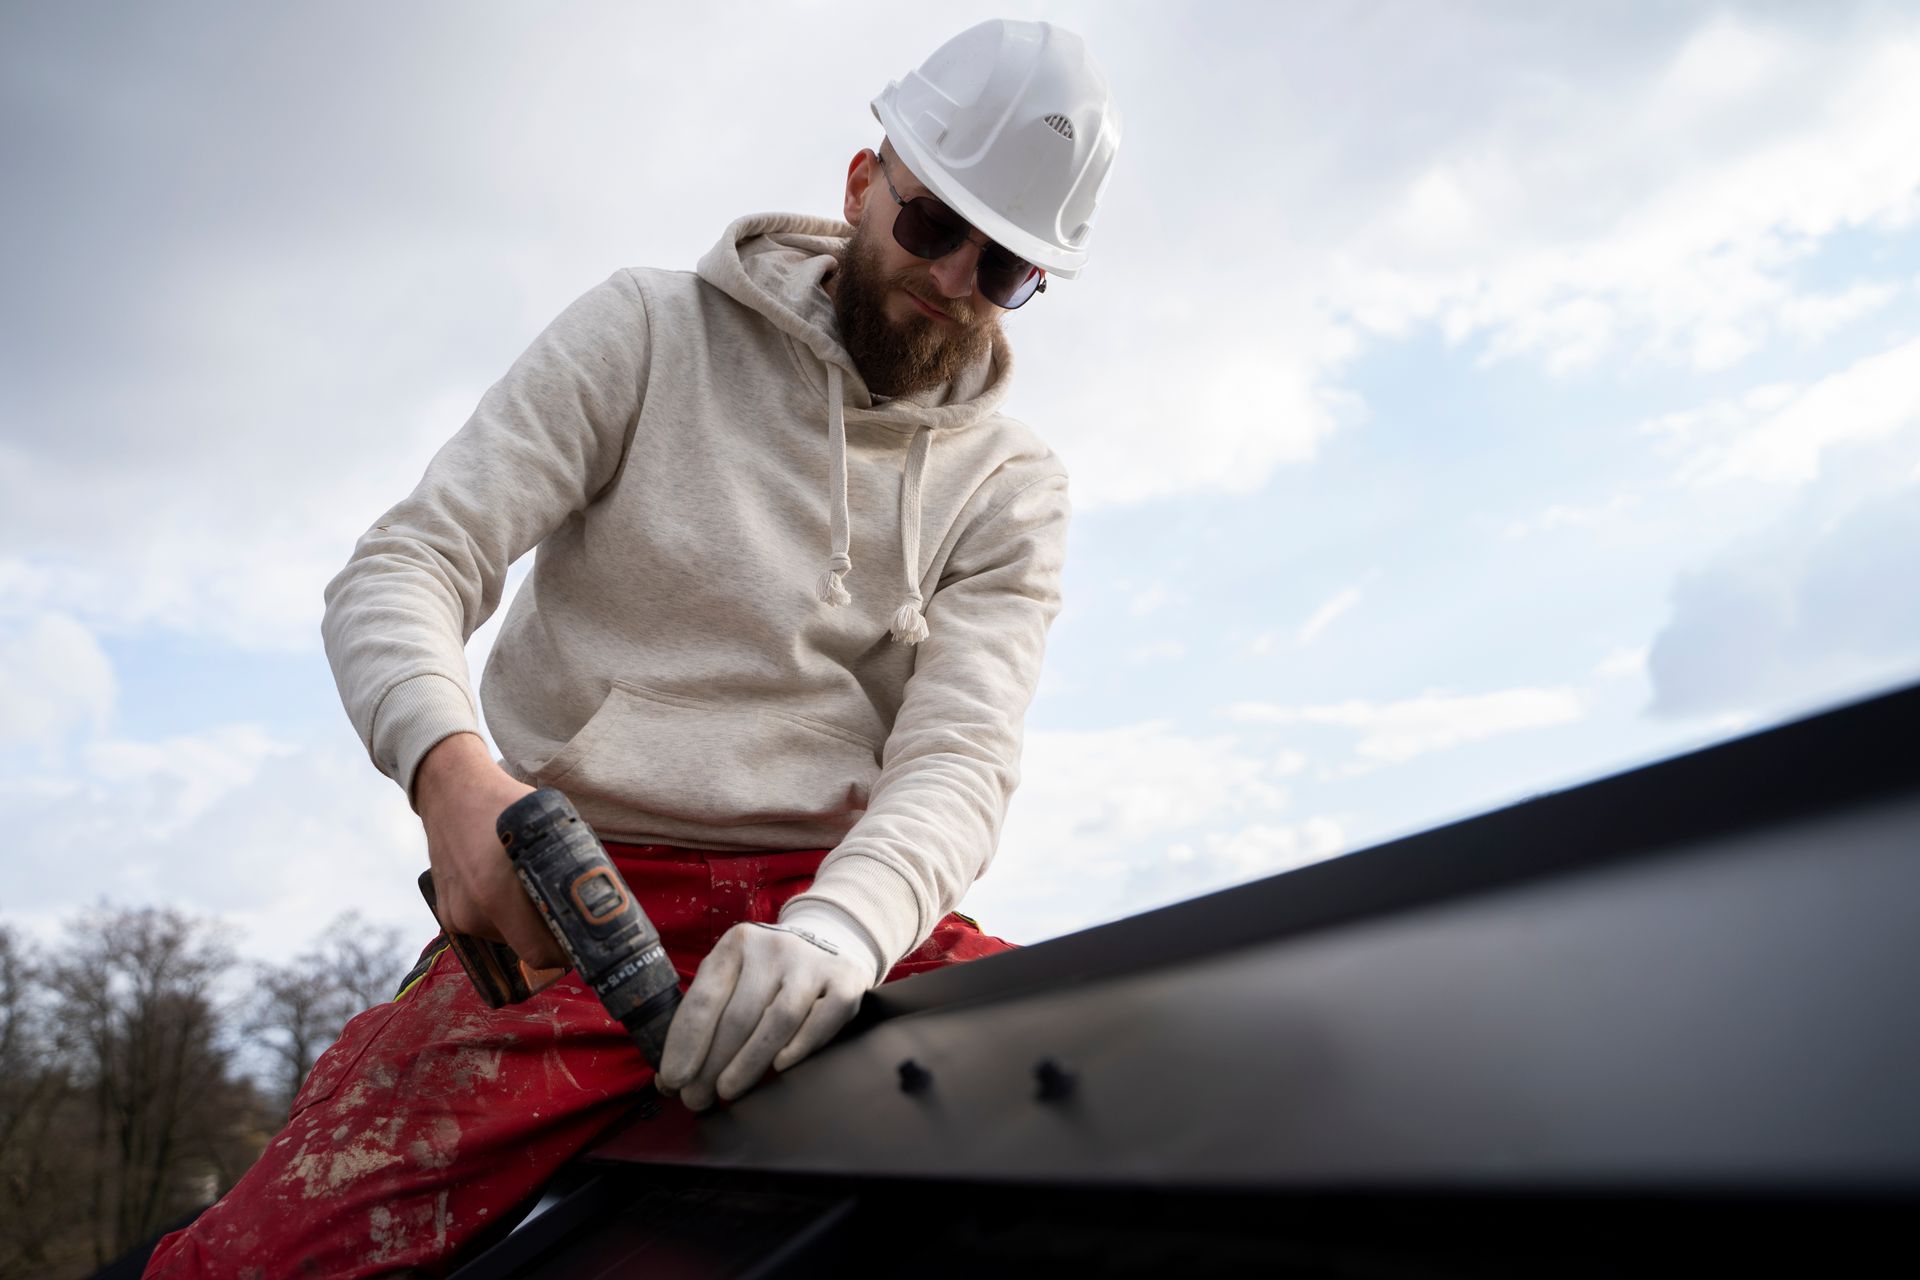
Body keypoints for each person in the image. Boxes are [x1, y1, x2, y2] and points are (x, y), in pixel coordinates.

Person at [145, 17, 1119, 1277]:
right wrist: (455, 781)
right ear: (862, 182)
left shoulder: (1013, 484)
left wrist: (838, 936)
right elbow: (405, 567)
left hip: (835, 916)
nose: (955, 281)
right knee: (257, 1263)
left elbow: (961, 760)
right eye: (935, 226)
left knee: (1117, 1139)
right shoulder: (646, 332)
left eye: (1005, 272)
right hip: (579, 916)